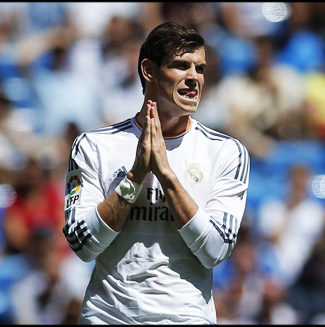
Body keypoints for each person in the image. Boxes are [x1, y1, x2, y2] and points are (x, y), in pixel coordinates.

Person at [62, 22, 250, 324]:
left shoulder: (226, 152)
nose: (194, 78)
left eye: (199, 69)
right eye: (180, 66)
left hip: (185, 318)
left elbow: (215, 250)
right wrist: (136, 176)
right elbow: (83, 245)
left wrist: (166, 175)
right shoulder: (94, 146)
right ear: (148, 70)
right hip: (108, 317)